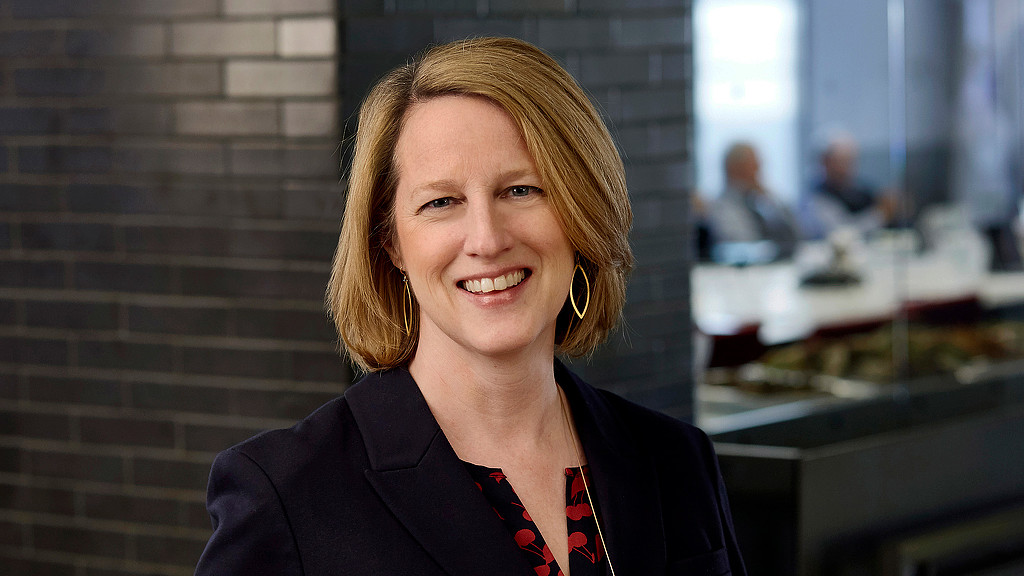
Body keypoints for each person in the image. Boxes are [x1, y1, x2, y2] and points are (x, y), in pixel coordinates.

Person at [195, 37, 746, 576]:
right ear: (390, 243)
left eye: (522, 190)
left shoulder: (675, 459)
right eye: (441, 202)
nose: (486, 239)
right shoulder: (286, 492)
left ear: (582, 212)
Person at [707, 142, 800, 261]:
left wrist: (771, 199)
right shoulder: (722, 207)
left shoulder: (757, 202)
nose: (758, 170)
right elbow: (746, 245)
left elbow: (795, 235)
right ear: (735, 169)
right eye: (753, 165)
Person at [801, 135, 898, 240]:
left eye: (850, 162)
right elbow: (841, 234)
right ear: (825, 162)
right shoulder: (816, 197)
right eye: (839, 162)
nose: (845, 169)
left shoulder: (858, 190)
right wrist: (880, 215)